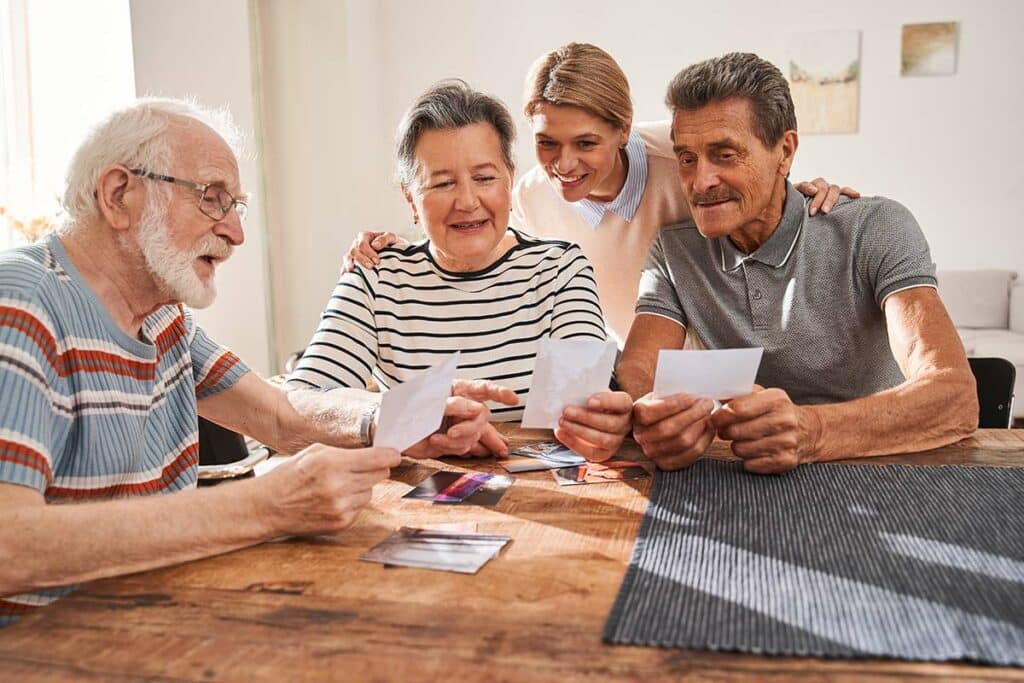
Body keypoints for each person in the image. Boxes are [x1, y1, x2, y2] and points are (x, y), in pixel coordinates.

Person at [0, 98, 508, 624]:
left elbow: (279, 415)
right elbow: (7, 546)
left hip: (153, 623)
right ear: (119, 194)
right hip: (47, 650)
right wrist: (264, 506)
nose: (236, 233)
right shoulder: (20, 303)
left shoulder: (161, 317)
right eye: (212, 198)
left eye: (235, 206)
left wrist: (391, 420)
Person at [345, 43, 856, 344]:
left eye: (585, 143)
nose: (563, 165)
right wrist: (401, 245)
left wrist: (815, 193)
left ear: (623, 130)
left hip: (738, 368)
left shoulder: (678, 158)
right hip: (642, 388)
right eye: (546, 143)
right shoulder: (529, 198)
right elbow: (481, 248)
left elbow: (757, 182)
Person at [617, 52, 978, 475]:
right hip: (742, 476)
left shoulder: (875, 227)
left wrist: (813, 431)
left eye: (725, 155)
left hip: (881, 468)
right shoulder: (674, 250)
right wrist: (654, 415)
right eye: (687, 158)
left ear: (784, 152)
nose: (700, 181)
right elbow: (639, 366)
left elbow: (954, 396)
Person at [288, 80, 633, 461]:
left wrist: (603, 421)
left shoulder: (560, 269)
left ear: (509, 179)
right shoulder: (375, 276)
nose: (468, 202)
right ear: (410, 199)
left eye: (485, 178)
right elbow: (299, 404)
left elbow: (582, 407)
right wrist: (410, 414)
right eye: (443, 183)